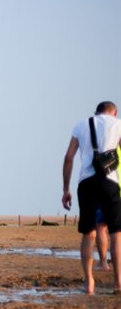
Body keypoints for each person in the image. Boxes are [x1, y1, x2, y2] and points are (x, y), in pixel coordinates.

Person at [62, 100, 121, 294]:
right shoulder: (118, 124)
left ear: (96, 112)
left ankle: (89, 283)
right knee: (115, 233)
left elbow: (69, 158)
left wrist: (66, 189)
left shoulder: (81, 125)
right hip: (109, 182)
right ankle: (118, 283)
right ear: (114, 112)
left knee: (88, 233)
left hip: (86, 182)